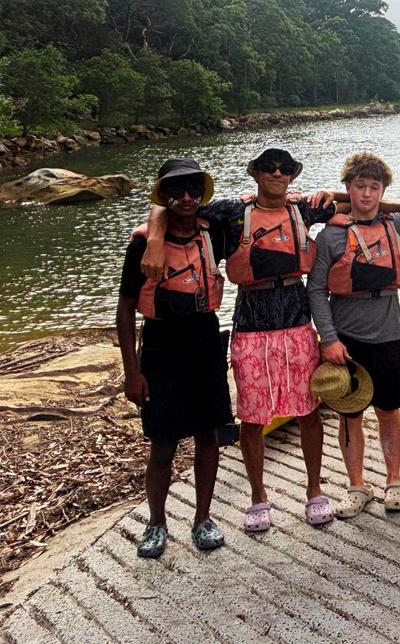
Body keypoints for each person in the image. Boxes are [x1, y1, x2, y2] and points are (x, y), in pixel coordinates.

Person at [142, 141, 338, 532]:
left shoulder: (303, 209)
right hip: (250, 325)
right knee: (252, 416)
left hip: (297, 323)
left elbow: (362, 200)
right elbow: (168, 208)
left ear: (293, 175)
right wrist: (152, 240)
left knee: (308, 411)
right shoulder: (231, 213)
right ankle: (258, 497)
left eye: (285, 167)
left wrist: (342, 194)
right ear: (255, 173)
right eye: (269, 166)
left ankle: (315, 490)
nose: (277, 173)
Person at [118, 158, 231, 558]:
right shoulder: (142, 244)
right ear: (164, 195)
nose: (186, 197)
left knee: (208, 436)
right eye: (176, 190)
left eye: (193, 189)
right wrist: (132, 372)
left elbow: (268, 203)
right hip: (161, 344)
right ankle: (156, 523)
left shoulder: (214, 229)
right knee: (163, 443)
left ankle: (203, 519)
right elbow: (125, 310)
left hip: (205, 339)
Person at [308, 153, 400, 518]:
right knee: (350, 415)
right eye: (360, 186)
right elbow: (315, 290)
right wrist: (328, 338)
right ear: (348, 188)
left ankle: (394, 479)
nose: (367, 194)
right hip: (347, 339)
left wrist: (399, 205)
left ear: (383, 191)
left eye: (374, 187)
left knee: (389, 410)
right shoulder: (330, 236)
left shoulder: (398, 226)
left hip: (388, 335)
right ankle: (357, 485)